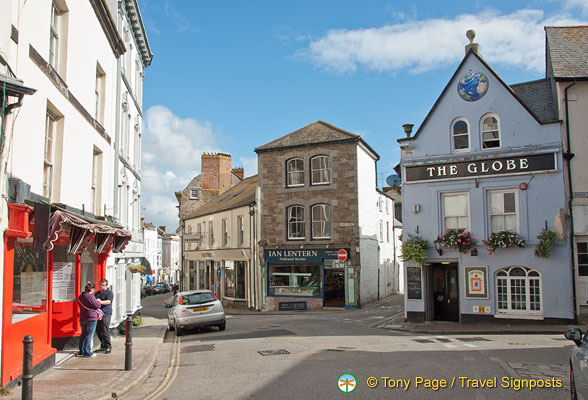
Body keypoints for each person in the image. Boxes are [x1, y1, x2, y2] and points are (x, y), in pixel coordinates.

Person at [77, 282, 101, 358]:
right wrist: (98, 301)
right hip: (91, 317)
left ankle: (81, 351)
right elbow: (97, 306)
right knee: (89, 335)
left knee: (83, 334)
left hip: (83, 317)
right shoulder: (90, 296)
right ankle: (87, 352)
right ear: (92, 289)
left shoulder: (80, 296)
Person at [95, 279, 114, 354]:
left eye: (103, 285)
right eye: (100, 284)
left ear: (106, 285)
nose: (101, 286)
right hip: (98, 313)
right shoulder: (97, 293)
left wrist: (100, 302)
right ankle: (103, 345)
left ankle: (108, 347)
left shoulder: (109, 293)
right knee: (98, 330)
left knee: (105, 330)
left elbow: (109, 301)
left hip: (106, 313)